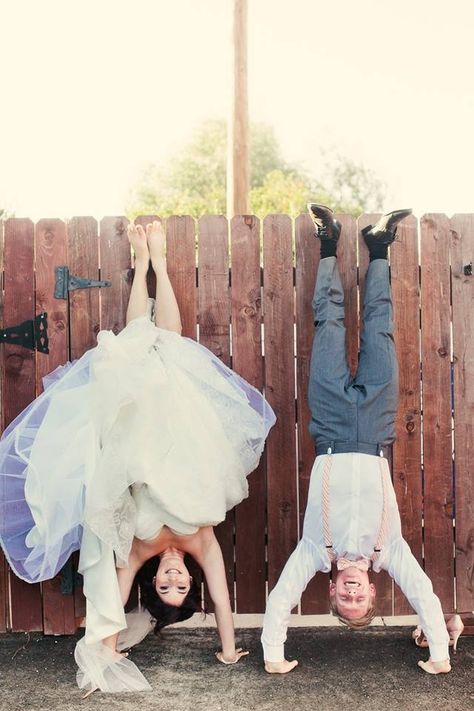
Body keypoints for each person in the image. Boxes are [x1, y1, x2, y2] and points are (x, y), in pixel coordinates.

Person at [0, 221, 275, 694]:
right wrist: (229, 650)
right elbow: (225, 604)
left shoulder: (137, 552)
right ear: (192, 581)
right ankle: (161, 265)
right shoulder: (204, 547)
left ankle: (142, 264)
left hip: (137, 440)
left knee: (130, 351)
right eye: (182, 587)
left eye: (165, 588)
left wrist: (104, 656)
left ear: (155, 583)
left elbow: (112, 602)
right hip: (187, 437)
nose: (172, 581)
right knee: (168, 347)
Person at [261, 204, 461, 676]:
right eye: (359, 599)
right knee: (380, 332)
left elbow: (280, 600)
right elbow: (425, 595)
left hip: (330, 426)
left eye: (345, 600)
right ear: (373, 590)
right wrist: (438, 656)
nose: (352, 594)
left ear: (331, 589)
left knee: (328, 327)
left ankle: (327, 243)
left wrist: (274, 656)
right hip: (375, 429)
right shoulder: (390, 551)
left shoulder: (313, 551)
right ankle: (378, 247)